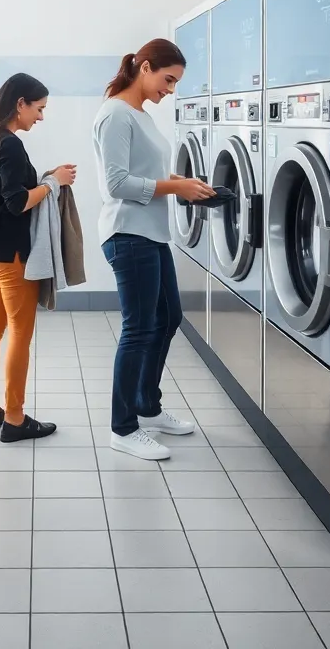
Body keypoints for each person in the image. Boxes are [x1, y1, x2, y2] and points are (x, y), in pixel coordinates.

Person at [92, 40, 214, 460]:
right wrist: (173, 187)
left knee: (168, 317)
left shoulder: (139, 115)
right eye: (168, 80)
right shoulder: (115, 115)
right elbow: (116, 183)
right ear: (144, 67)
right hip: (128, 234)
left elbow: (148, 172)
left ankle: (147, 405)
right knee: (140, 328)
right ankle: (122, 428)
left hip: (152, 234)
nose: (171, 90)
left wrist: (186, 184)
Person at [0, 72, 76, 443]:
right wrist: (54, 181)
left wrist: (43, 180)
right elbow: (16, 203)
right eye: (38, 109)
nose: (40, 117)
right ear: (20, 104)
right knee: (20, 334)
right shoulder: (9, 144)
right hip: (11, 257)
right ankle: (14, 418)